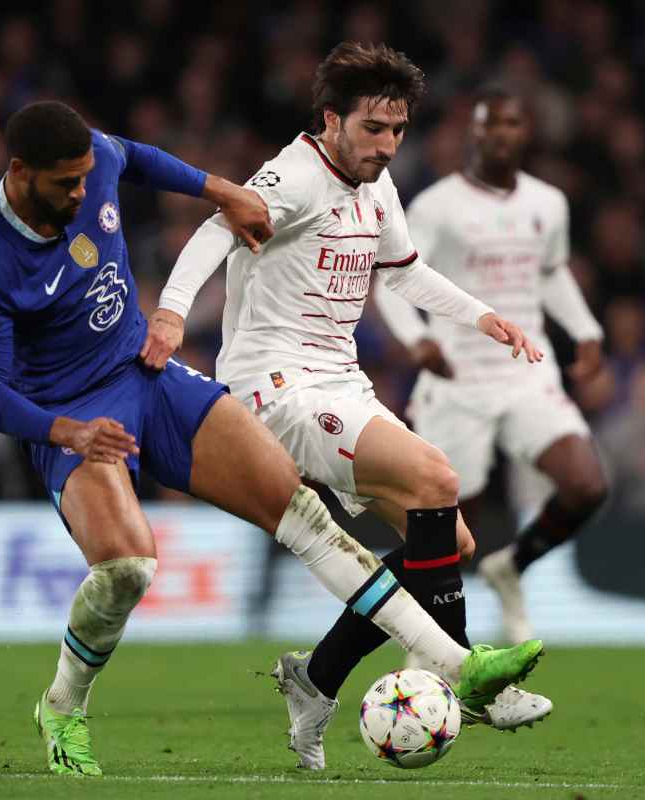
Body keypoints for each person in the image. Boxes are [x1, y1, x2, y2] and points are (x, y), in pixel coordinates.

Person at [0, 100, 545, 777]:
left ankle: (454, 664)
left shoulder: (96, 159)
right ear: (20, 172)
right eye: (66, 184)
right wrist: (66, 430)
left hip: (145, 373)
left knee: (300, 509)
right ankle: (64, 704)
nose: (83, 192)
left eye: (86, 177)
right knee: (126, 570)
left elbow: (136, 157)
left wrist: (221, 190)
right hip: (71, 414)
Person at [146, 45, 553, 770]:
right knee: (435, 477)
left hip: (339, 384)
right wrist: (173, 316)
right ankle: (468, 683)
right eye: (372, 129)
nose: (387, 145)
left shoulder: (377, 183)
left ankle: (318, 677)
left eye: (397, 130)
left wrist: (482, 316)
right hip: (277, 388)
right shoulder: (297, 174)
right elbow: (218, 226)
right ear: (332, 119)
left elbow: (405, 272)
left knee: (446, 547)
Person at [373, 87, 610, 644]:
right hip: (456, 381)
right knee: (450, 534)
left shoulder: (548, 203)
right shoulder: (436, 206)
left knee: (587, 485)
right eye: (490, 124)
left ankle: (512, 567)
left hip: (526, 370)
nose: (501, 133)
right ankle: (429, 644)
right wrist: (416, 341)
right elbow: (393, 277)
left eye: (512, 123)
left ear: (526, 133)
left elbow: (549, 273)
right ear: (473, 133)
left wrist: (586, 329)